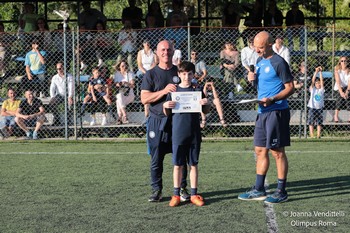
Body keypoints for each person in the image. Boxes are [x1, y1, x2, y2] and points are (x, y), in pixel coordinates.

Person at [238, 31, 294, 204]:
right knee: (260, 150)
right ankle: (259, 188)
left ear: (270, 45)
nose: (257, 50)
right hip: (262, 112)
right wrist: (251, 79)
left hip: (276, 112)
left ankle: (281, 191)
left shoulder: (279, 62)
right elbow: (261, 86)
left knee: (277, 152)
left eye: (260, 47)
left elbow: (290, 88)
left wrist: (273, 99)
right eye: (255, 47)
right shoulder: (260, 62)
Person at [140, 40, 189, 202]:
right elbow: (144, 98)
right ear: (157, 52)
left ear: (173, 50)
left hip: (177, 121)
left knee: (181, 157)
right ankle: (157, 190)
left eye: (169, 49)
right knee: (156, 158)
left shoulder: (180, 71)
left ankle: (182, 189)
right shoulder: (151, 74)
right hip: (156, 121)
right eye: (162, 49)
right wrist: (164, 91)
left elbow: (190, 90)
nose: (166, 52)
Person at [163, 61, 210, 207]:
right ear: (179, 74)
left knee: (193, 164)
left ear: (193, 74)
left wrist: (206, 103)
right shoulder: (173, 92)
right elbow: (167, 112)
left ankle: (194, 194)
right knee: (177, 165)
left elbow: (206, 110)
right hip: (178, 133)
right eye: (183, 73)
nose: (186, 77)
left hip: (194, 133)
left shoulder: (198, 90)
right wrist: (165, 106)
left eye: (189, 74)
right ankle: (176, 194)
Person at [136, 40, 157, 122]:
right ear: (143, 44)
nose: (147, 44)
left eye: (148, 42)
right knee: (141, 75)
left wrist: (149, 72)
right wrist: (146, 72)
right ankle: (145, 90)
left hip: (151, 69)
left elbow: (155, 62)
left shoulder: (153, 52)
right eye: (145, 42)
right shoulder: (140, 52)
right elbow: (139, 64)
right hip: (142, 70)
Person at [112, 60, 136, 124]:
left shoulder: (130, 73)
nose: (124, 67)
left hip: (129, 94)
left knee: (118, 100)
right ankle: (124, 116)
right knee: (119, 97)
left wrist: (126, 83)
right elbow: (115, 84)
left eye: (125, 65)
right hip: (121, 93)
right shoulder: (117, 74)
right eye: (122, 66)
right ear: (119, 67)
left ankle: (120, 117)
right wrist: (119, 84)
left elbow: (133, 86)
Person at [307, 66, 324, 138]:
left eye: (319, 83)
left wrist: (320, 72)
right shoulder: (313, 89)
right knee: (311, 122)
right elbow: (313, 80)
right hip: (312, 107)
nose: (318, 84)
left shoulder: (321, 90)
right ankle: (311, 135)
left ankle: (318, 135)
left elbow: (322, 81)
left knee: (319, 122)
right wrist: (316, 72)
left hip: (319, 108)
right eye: (317, 83)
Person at [333, 56, 350, 123]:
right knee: (339, 99)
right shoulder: (337, 70)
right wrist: (341, 92)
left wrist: (347, 92)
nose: (343, 62)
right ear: (340, 62)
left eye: (345, 61)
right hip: (338, 88)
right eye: (342, 61)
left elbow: (349, 83)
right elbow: (338, 81)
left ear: (347, 62)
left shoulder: (349, 71)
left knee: (349, 97)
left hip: (347, 87)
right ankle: (336, 116)